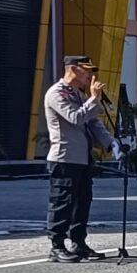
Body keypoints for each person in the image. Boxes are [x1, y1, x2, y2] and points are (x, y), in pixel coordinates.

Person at [44, 55, 116, 262]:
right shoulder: (57, 93)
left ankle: (78, 243)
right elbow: (76, 118)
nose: (92, 75)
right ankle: (56, 246)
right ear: (73, 69)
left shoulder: (78, 94)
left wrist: (111, 143)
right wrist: (94, 99)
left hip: (82, 159)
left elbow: (93, 122)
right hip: (64, 158)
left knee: (82, 202)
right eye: (88, 70)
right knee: (62, 202)